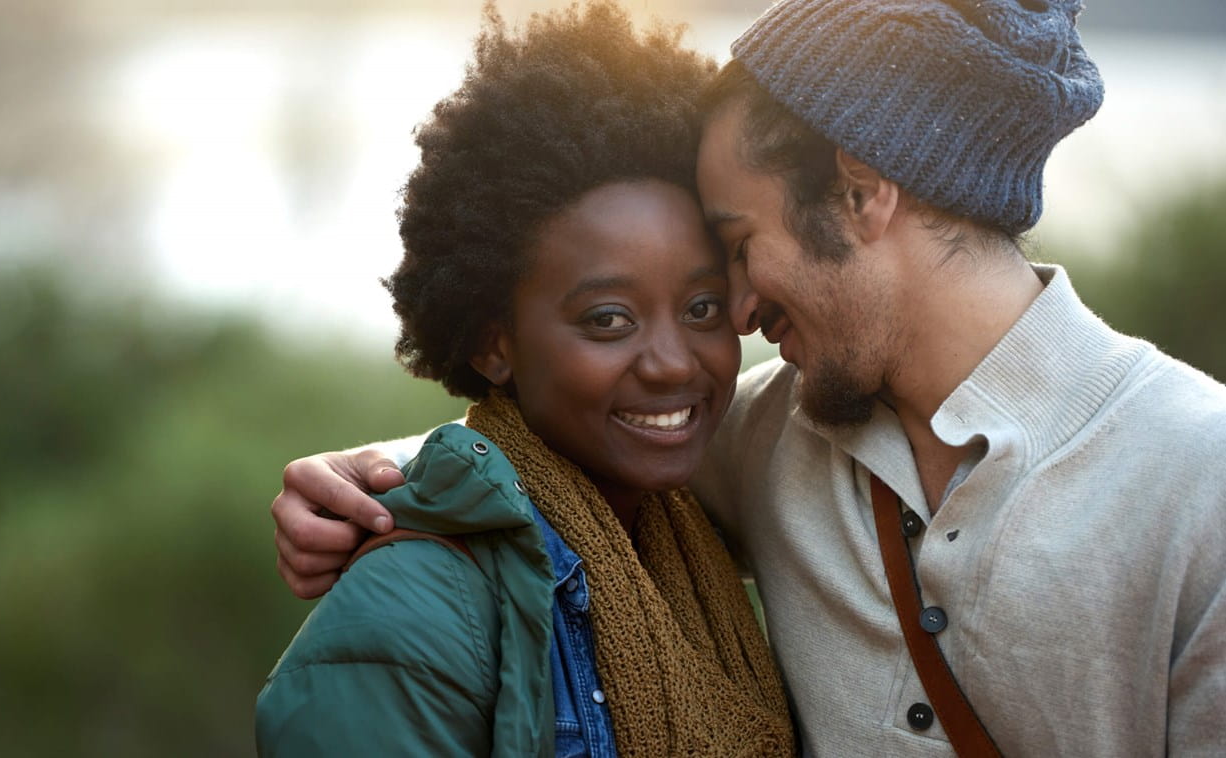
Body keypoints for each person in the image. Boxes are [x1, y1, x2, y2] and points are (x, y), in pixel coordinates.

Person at [272, 0, 1226, 755]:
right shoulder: (778, 431)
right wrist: (369, 475)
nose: (729, 316)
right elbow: (556, 451)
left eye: (736, 246)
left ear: (859, 192)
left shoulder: (1200, 482)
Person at [255, 3, 795, 756]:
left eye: (702, 306)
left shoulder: (683, 530)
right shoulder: (411, 613)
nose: (673, 361)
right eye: (608, 319)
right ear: (491, 344)